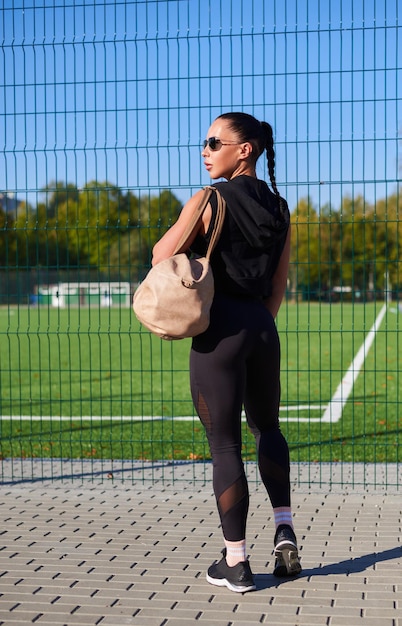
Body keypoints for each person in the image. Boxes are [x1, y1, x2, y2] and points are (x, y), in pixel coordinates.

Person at [152, 112, 301, 593]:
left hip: (220, 333)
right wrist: (257, 326)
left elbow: (161, 258)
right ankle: (284, 527)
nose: (205, 149)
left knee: (225, 445)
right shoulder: (281, 209)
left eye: (214, 142)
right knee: (269, 429)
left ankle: (236, 562)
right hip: (262, 328)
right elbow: (278, 287)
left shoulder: (209, 199)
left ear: (245, 149)